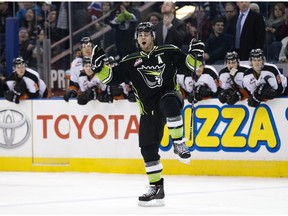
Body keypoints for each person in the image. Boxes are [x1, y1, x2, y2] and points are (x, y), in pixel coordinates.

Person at [90, 22, 204, 207]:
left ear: (153, 37)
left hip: (169, 97)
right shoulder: (129, 61)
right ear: (136, 39)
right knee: (148, 150)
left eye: (146, 34)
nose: (143, 37)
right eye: (140, 34)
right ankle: (156, 189)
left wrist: (194, 56)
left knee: (169, 103)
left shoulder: (169, 51)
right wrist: (98, 68)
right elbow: (111, 78)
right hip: (148, 111)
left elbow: (189, 67)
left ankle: (178, 142)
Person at [63, 37, 94, 102]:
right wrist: (72, 90)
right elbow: (74, 83)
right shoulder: (76, 63)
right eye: (84, 46)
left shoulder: (99, 60)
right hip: (83, 97)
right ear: (81, 49)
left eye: (89, 46)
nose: (87, 49)